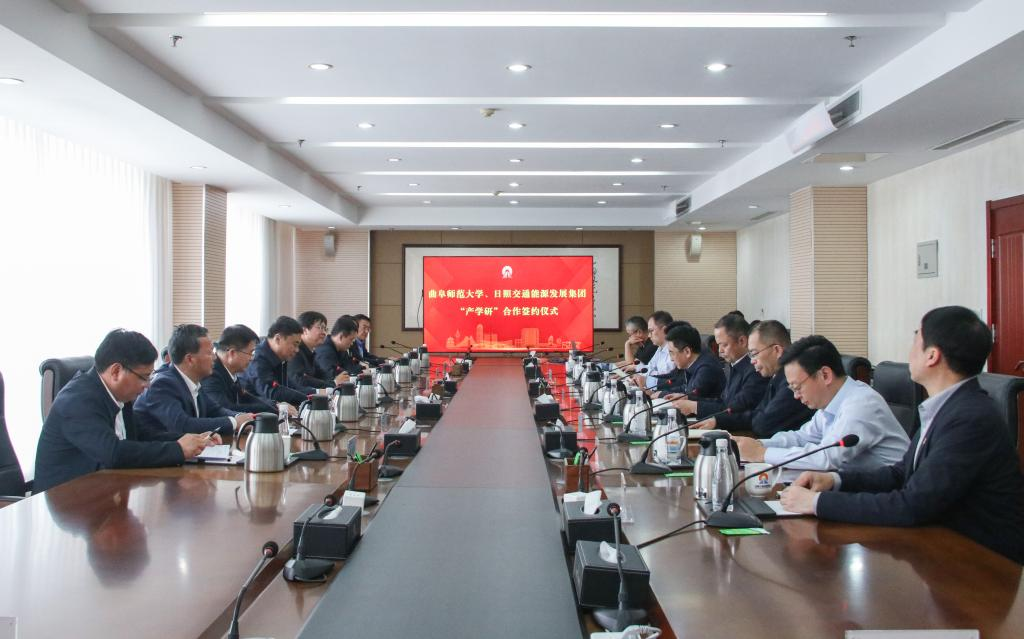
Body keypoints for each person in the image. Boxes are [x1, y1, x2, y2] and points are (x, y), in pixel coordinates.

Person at [780, 306, 1024, 564]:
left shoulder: (969, 418)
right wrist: (834, 481)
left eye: (916, 338)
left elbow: (912, 505)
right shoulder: (947, 407)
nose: (910, 349)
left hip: (981, 563)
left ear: (932, 356)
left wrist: (817, 503)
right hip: (941, 547)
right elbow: (900, 474)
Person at [33, 329, 214, 492]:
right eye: (144, 377)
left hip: (103, 491)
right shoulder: (78, 400)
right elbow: (113, 453)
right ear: (116, 371)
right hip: (65, 501)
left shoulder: (119, 395)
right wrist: (178, 449)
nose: (148, 385)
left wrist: (193, 440)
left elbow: (142, 435)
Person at [732, 335, 909, 473]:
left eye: (797, 387)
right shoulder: (830, 405)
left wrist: (762, 454)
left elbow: (827, 458)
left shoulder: (862, 404)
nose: (795, 396)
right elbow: (802, 438)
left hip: (888, 496)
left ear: (825, 375)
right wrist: (758, 445)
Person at [134, 324, 254, 436]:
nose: (214, 357)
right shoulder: (163, 385)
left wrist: (241, 418)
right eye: (209, 353)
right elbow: (183, 425)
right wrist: (234, 422)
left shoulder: (193, 380)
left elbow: (215, 410)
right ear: (190, 359)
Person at [701, 320, 814, 436]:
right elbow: (758, 414)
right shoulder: (775, 377)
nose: (752, 361)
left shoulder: (793, 381)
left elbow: (763, 424)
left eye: (754, 354)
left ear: (777, 350)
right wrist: (719, 421)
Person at [673, 313, 768, 419]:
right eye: (718, 345)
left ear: (742, 341)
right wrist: (688, 399)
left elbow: (736, 409)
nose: (720, 351)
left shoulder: (756, 370)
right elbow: (723, 401)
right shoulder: (734, 365)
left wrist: (695, 407)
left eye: (724, 345)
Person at [200, 324, 278, 415]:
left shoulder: (229, 370)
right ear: (232, 353)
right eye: (250, 353)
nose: (252, 358)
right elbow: (226, 408)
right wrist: (268, 409)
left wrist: (274, 406)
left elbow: (245, 397)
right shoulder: (211, 375)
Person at [239, 316, 314, 407]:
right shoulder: (258, 358)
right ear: (278, 339)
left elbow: (290, 387)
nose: (297, 350)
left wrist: (316, 394)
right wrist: (308, 400)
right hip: (254, 411)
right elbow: (272, 392)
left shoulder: (279, 357)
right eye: (295, 344)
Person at [657, 322, 726, 405]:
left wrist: (662, 394)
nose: (671, 359)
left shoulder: (706, 369)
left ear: (687, 351)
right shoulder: (697, 358)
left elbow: (691, 398)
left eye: (672, 353)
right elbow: (687, 389)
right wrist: (662, 394)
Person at [288, 311, 341, 389]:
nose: (324, 333)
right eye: (320, 328)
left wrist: (334, 380)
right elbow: (299, 381)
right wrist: (334, 383)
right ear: (304, 330)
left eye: (325, 329)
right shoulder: (295, 352)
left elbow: (322, 375)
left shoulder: (310, 352)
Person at [630, 311, 675, 388]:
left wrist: (641, 373)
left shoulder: (674, 350)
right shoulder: (660, 348)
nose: (649, 335)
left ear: (665, 330)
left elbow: (664, 376)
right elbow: (649, 367)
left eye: (651, 331)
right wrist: (638, 376)